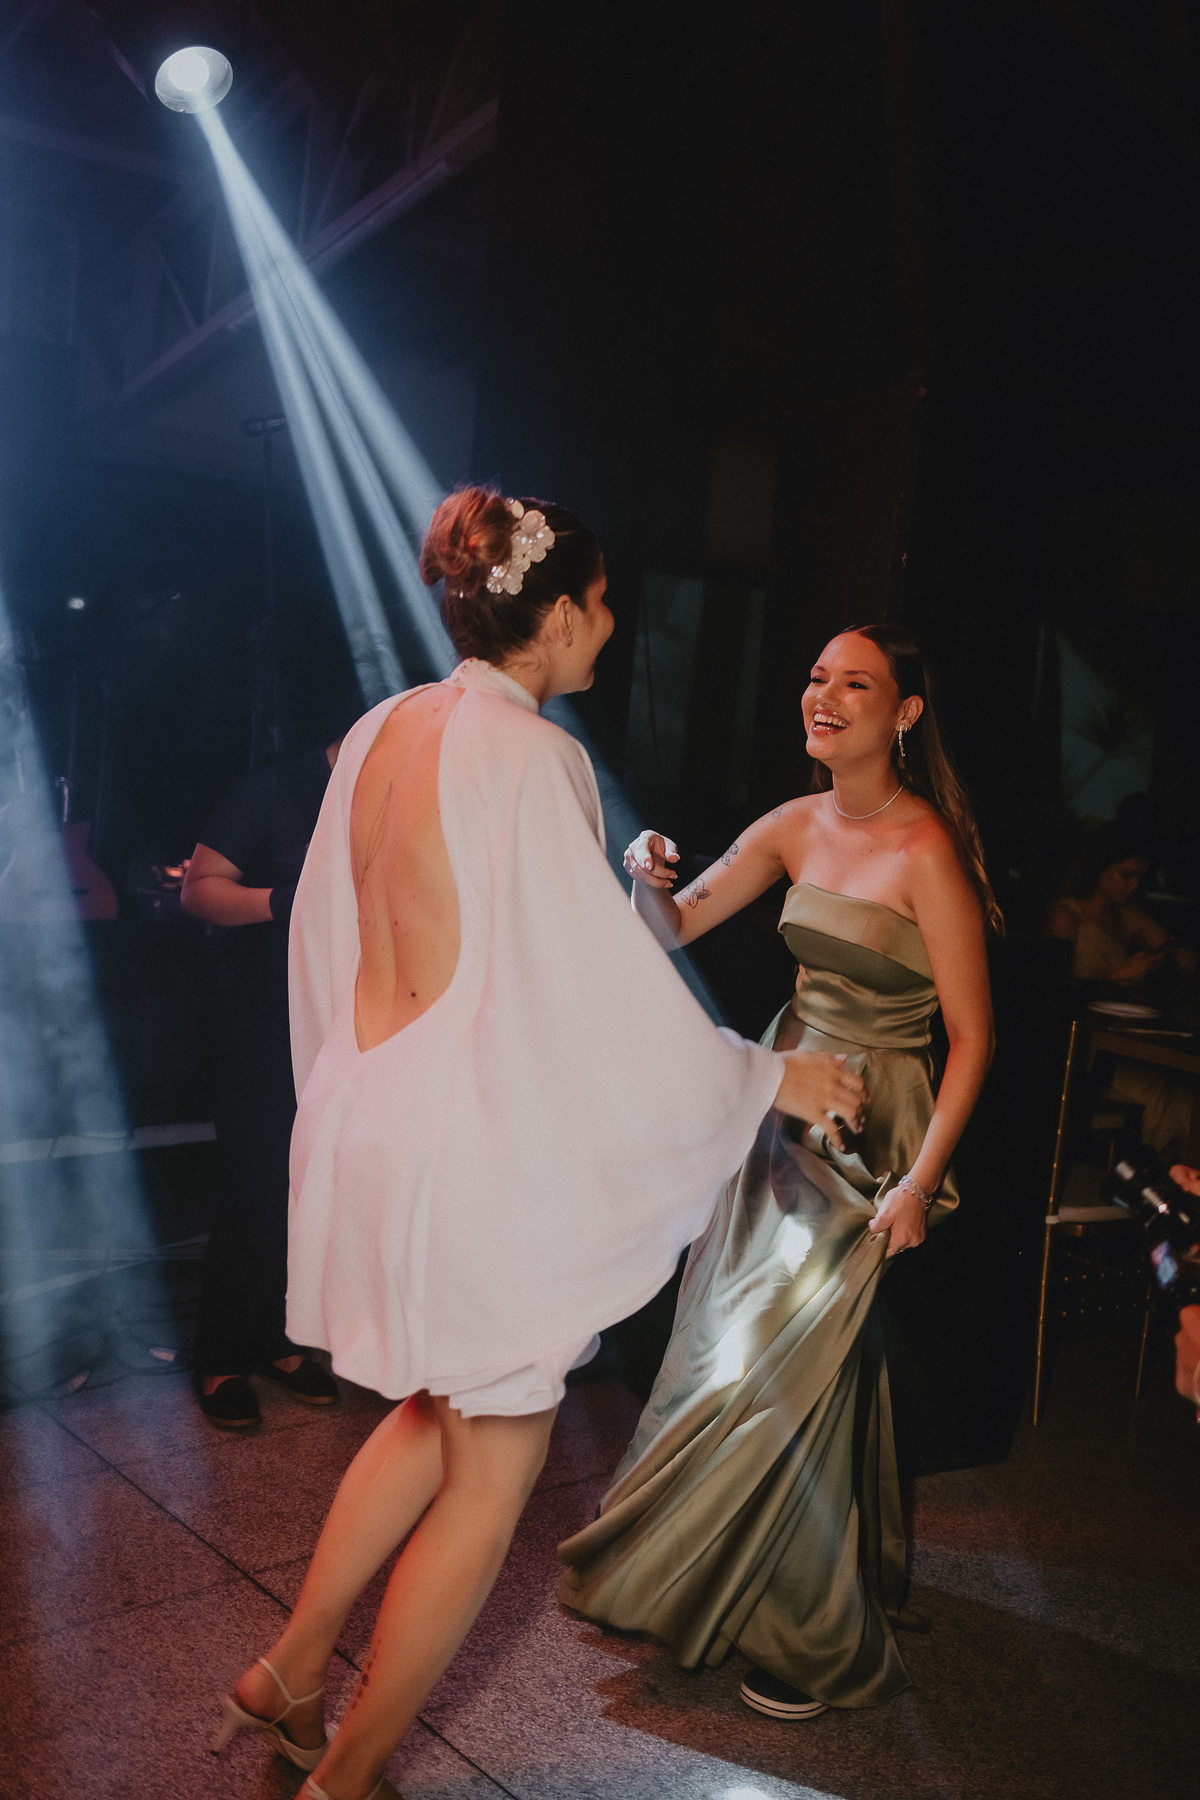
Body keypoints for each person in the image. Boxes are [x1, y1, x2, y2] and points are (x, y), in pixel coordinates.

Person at [213, 488, 865, 1800]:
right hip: (462, 1149)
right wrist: (769, 1076)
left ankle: (289, 1671)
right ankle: (347, 1778)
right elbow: (589, 989)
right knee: (494, 1470)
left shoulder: (382, 728)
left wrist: (340, 1098)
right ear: (558, 614)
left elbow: (325, 934)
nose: (612, 627)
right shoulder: (530, 750)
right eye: (605, 604)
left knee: (433, 1411)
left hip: (366, 1114)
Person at [559, 622, 997, 1722]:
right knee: (742, 1347)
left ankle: (805, 1630)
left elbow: (974, 1039)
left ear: (905, 714)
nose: (824, 696)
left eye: (857, 684)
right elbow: (670, 929)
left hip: (872, 1131)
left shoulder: (926, 849)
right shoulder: (794, 824)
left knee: (785, 1358)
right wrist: (643, 875)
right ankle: (766, 1587)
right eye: (815, 677)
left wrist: (917, 1184)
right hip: (781, 1106)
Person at [181, 729, 351, 1429]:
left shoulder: (393, 792)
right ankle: (222, 1355)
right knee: (258, 1186)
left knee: (316, 1188)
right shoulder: (276, 787)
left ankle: (283, 1341)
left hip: (346, 1025)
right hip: (260, 1020)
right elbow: (198, 891)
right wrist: (287, 902)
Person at [1047, 826, 1196, 1154]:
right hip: (1081, 1044)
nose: (1134, 885)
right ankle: (1155, 1170)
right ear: (1100, 868)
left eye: (1140, 877)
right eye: (1126, 875)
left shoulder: (1128, 915)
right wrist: (1114, 978)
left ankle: (1175, 1174)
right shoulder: (1067, 914)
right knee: (1164, 1090)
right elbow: (1055, 991)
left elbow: (1171, 946)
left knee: (1185, 1088)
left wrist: (1176, 956)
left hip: (1123, 1037)